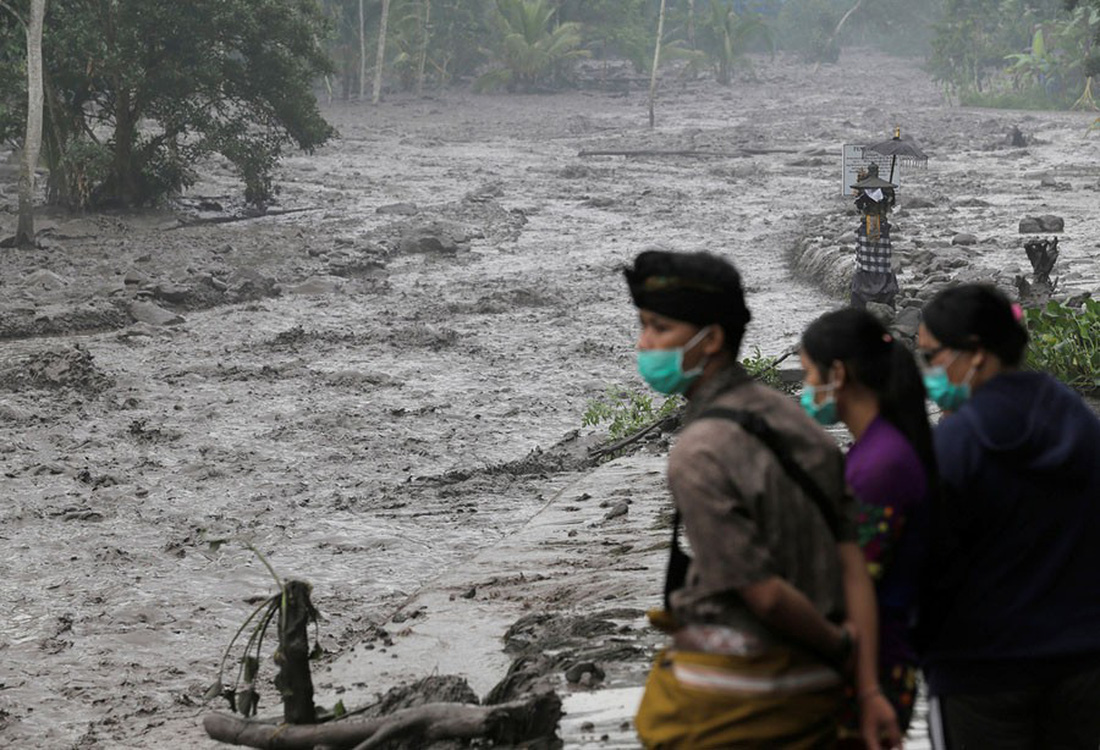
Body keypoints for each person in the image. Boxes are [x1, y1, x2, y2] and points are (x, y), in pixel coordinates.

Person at [626, 249, 900, 749]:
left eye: (660, 328)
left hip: (732, 705)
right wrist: (866, 686)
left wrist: (836, 644)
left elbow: (766, 595)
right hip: (817, 696)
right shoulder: (793, 419)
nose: (644, 343)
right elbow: (850, 560)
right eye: (643, 325)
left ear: (710, 341)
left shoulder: (698, 453)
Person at [916, 284, 1100, 749]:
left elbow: (923, 564)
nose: (929, 373)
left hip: (979, 674)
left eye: (931, 357)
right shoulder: (1079, 423)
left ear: (975, 353)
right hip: (1082, 665)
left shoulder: (954, 445)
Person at [800, 308, 935, 746]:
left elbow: (853, 577)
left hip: (872, 664)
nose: (805, 390)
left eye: (807, 375)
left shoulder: (881, 465)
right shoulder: (876, 448)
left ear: (836, 373)